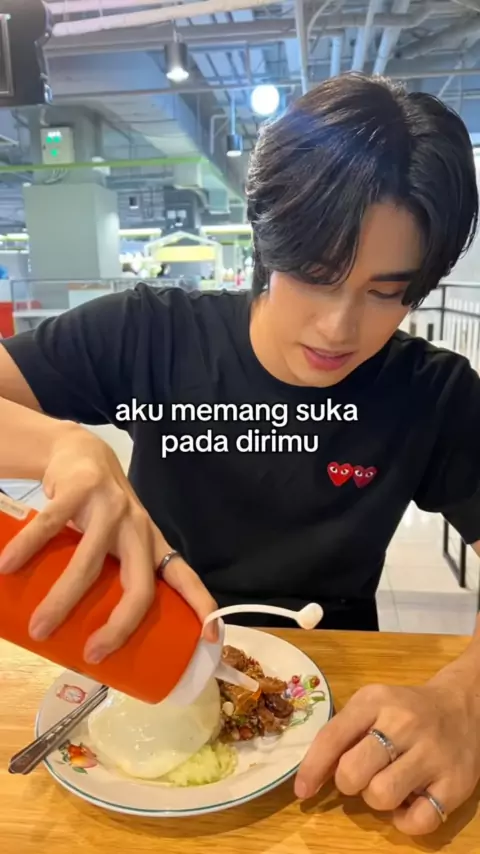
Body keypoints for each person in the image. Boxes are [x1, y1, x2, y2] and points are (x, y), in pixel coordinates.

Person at [0, 72, 480, 837]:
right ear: (266, 235)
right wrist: (60, 444)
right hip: (136, 674)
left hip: (335, 726)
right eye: (315, 274)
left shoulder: (433, 393)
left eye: (386, 292)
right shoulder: (150, 334)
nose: (338, 328)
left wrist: (464, 699)